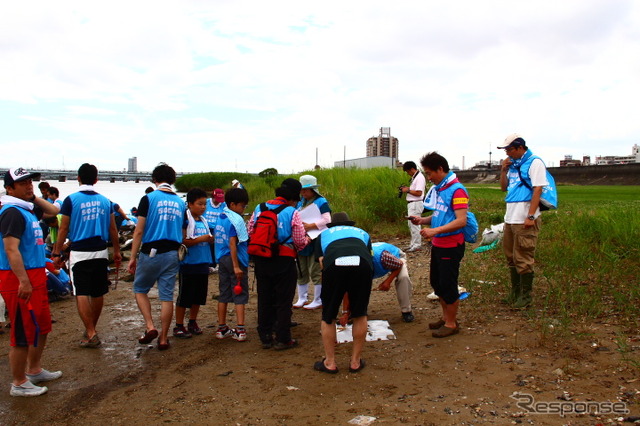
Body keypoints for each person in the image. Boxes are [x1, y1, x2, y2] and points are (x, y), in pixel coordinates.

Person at [0, 167, 62, 397]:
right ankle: (18, 382)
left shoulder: (27, 208)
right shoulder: (12, 212)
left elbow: (55, 210)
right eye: (23, 183)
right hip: (19, 278)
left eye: (30, 182)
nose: (29, 185)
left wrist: (33, 196)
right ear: (9, 188)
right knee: (22, 332)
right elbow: (10, 249)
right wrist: (23, 281)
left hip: (35, 275)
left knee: (41, 325)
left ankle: (34, 369)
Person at [52, 163, 122, 348]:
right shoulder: (106, 201)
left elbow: (64, 228)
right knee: (98, 291)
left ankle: (90, 331)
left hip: (79, 252)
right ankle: (91, 329)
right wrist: (116, 251)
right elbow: (112, 228)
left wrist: (57, 252)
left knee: (81, 292)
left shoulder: (71, 200)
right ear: (97, 179)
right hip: (100, 251)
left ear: (78, 178)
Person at [408, 152, 469, 338]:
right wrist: (422, 220)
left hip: (451, 244)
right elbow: (440, 216)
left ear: (440, 169)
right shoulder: (442, 189)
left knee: (448, 284)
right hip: (439, 244)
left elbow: (461, 221)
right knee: (437, 282)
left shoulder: (457, 190)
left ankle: (451, 323)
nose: (428, 177)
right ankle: (446, 318)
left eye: (429, 173)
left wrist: (434, 231)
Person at [128, 164, 186, 350]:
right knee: (167, 296)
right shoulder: (180, 202)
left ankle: (150, 326)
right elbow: (183, 230)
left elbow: (139, 230)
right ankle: (163, 338)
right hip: (172, 254)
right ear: (173, 180)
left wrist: (132, 257)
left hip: (151, 252)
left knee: (140, 289)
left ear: (154, 180)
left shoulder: (149, 198)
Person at [248, 178, 309, 350]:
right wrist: (307, 240)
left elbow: (250, 231)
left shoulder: (259, 208)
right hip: (284, 259)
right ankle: (283, 338)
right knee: (283, 300)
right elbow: (299, 241)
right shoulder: (292, 212)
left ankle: (265, 336)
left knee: (264, 297)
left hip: (261, 258)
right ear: (293, 198)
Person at [313, 212, 373, 374]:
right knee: (360, 313)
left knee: (329, 315)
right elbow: (369, 255)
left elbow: (321, 262)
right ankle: (355, 361)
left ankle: (330, 362)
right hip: (362, 264)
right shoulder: (362, 233)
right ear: (349, 224)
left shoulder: (323, 234)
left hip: (334, 264)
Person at [498, 134, 548, 308]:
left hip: (524, 218)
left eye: (510, 149)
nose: (508, 153)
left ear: (520, 147)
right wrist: (503, 170)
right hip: (510, 218)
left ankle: (525, 298)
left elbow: (538, 190)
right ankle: (515, 293)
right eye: (506, 150)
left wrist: (531, 216)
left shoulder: (535, 162)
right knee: (511, 257)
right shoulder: (513, 165)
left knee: (524, 256)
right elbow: (504, 188)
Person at [173, 188, 214, 339]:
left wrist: (210, 239)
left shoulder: (203, 221)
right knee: (184, 297)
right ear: (190, 204)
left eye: (204, 204)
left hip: (203, 263)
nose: (203, 207)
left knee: (198, 296)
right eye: (199, 204)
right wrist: (202, 239)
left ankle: (192, 322)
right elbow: (183, 241)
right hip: (188, 265)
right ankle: (178, 325)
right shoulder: (185, 220)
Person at [214, 187, 250, 342]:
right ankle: (240, 329)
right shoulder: (235, 220)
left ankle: (221, 328)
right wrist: (236, 266)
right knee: (239, 294)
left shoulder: (221, 216)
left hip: (222, 259)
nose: (243, 209)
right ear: (233, 204)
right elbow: (233, 244)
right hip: (235, 260)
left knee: (224, 294)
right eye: (242, 206)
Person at [294, 175, 331, 310]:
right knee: (301, 269)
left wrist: (311, 225)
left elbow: (327, 219)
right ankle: (302, 298)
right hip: (302, 239)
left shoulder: (321, 202)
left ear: (313, 190)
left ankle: (318, 299)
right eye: (302, 190)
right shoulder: (300, 202)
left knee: (315, 269)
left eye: (306, 190)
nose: (303, 193)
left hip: (316, 239)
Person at [370, 242, 414, 323]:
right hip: (380, 260)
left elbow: (399, 264)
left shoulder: (383, 257)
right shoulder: (356, 263)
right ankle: (357, 311)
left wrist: (388, 281)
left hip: (396, 257)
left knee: (403, 277)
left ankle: (406, 311)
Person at [400, 161, 426, 252]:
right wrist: (408, 189)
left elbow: (419, 193)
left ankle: (417, 245)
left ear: (412, 169)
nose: (408, 174)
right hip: (413, 204)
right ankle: (413, 244)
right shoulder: (416, 177)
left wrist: (407, 190)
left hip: (416, 203)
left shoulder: (419, 178)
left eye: (408, 172)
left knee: (415, 224)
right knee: (411, 224)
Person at [203, 188, 226, 273]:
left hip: (218, 228)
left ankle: (214, 263)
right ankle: (207, 263)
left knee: (216, 244)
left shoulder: (223, 204)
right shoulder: (207, 203)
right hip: (206, 227)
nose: (218, 201)